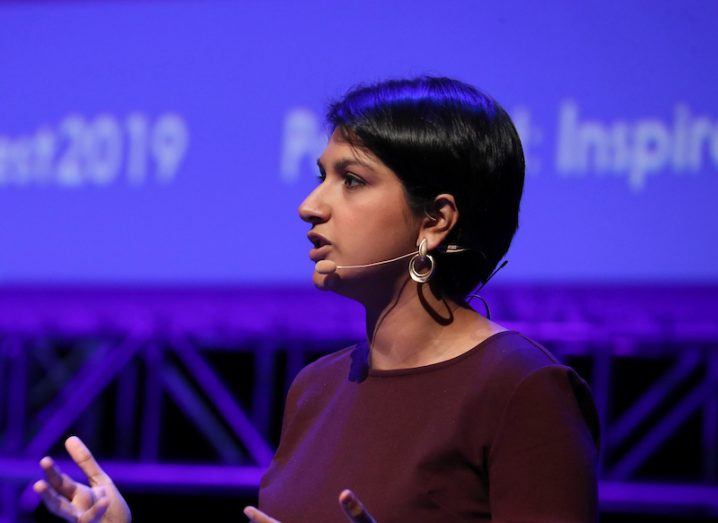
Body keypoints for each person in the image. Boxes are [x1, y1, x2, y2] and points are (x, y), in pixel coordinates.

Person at [35, 77, 600, 523]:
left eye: (351, 180)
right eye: (319, 176)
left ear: (435, 220)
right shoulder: (317, 388)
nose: (310, 205)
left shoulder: (521, 389)